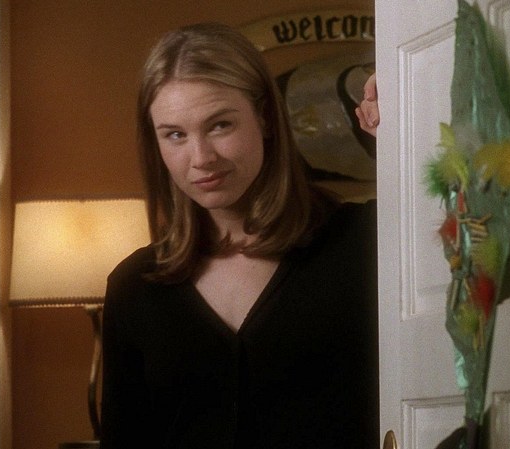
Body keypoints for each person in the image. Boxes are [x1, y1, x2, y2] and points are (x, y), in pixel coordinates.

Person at [101, 22, 378, 449]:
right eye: (175, 135)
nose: (201, 158)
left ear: (264, 117)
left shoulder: (364, 242)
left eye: (219, 126)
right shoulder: (134, 287)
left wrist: (410, 130)